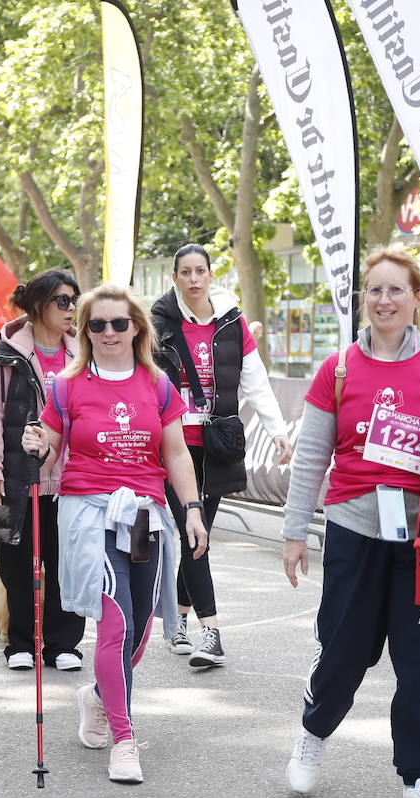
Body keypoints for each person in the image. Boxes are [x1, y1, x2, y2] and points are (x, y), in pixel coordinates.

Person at [280, 246, 420, 798]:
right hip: (353, 531)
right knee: (343, 652)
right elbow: (313, 456)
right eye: (375, 290)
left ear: (417, 298)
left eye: (397, 290)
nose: (385, 300)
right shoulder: (338, 369)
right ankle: (314, 733)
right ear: (362, 299)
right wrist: (295, 533)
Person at [22, 284, 208, 785]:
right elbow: (49, 447)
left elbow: (175, 454)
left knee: (142, 625)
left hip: (146, 515)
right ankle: (124, 738)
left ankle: (100, 697)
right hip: (89, 516)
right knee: (116, 623)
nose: (108, 333)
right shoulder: (66, 385)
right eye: (97, 325)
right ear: (84, 332)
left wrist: (191, 509)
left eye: (118, 323)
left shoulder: (158, 384)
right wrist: (36, 443)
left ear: (137, 329)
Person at [151, 243, 293, 667]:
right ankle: (210, 632)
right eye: (185, 272)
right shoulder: (158, 324)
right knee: (196, 536)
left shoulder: (233, 322)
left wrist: (278, 430)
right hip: (174, 446)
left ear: (211, 276)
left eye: (201, 271)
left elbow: (254, 378)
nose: (194, 279)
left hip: (217, 445)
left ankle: (175, 617)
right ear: (174, 278)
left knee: (198, 534)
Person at [0, 268, 86, 672]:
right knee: (17, 564)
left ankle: (63, 644)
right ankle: (20, 641)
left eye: (74, 299)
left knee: (68, 563)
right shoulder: (8, 353)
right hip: (20, 478)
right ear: (39, 306)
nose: (71, 308)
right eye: (62, 300)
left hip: (73, 480)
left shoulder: (82, 352)